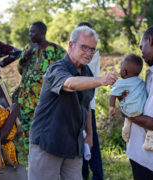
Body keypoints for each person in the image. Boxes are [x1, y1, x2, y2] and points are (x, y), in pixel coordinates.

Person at [28, 26, 119, 180]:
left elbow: (87, 104)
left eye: (92, 49)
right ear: (71, 45)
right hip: (48, 142)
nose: (89, 53)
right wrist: (102, 80)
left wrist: (90, 135)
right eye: (84, 47)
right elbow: (70, 84)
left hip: (74, 146)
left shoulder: (87, 72)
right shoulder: (56, 69)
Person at [16, 21, 66, 153]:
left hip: (45, 101)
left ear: (42, 33)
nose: (30, 34)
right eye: (29, 32)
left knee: (44, 133)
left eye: (33, 32)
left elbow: (66, 71)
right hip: (26, 101)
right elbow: (20, 70)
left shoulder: (56, 50)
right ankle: (30, 159)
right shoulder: (28, 47)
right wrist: (25, 57)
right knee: (27, 133)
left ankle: (44, 159)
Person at [122, 26, 153, 179]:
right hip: (145, 156)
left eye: (142, 47)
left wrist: (125, 111)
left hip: (148, 160)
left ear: (151, 40)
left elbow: (152, 123)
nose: (141, 52)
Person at [109, 54, 153, 153]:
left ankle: (126, 127)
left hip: (127, 110)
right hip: (141, 111)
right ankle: (148, 142)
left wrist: (111, 106)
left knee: (128, 113)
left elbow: (113, 93)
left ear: (124, 72)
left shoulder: (120, 83)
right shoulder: (141, 82)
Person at [77, 22, 103, 180]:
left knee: (91, 142)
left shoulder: (92, 54)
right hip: (78, 104)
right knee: (81, 140)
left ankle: (97, 175)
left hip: (87, 104)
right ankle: (84, 173)